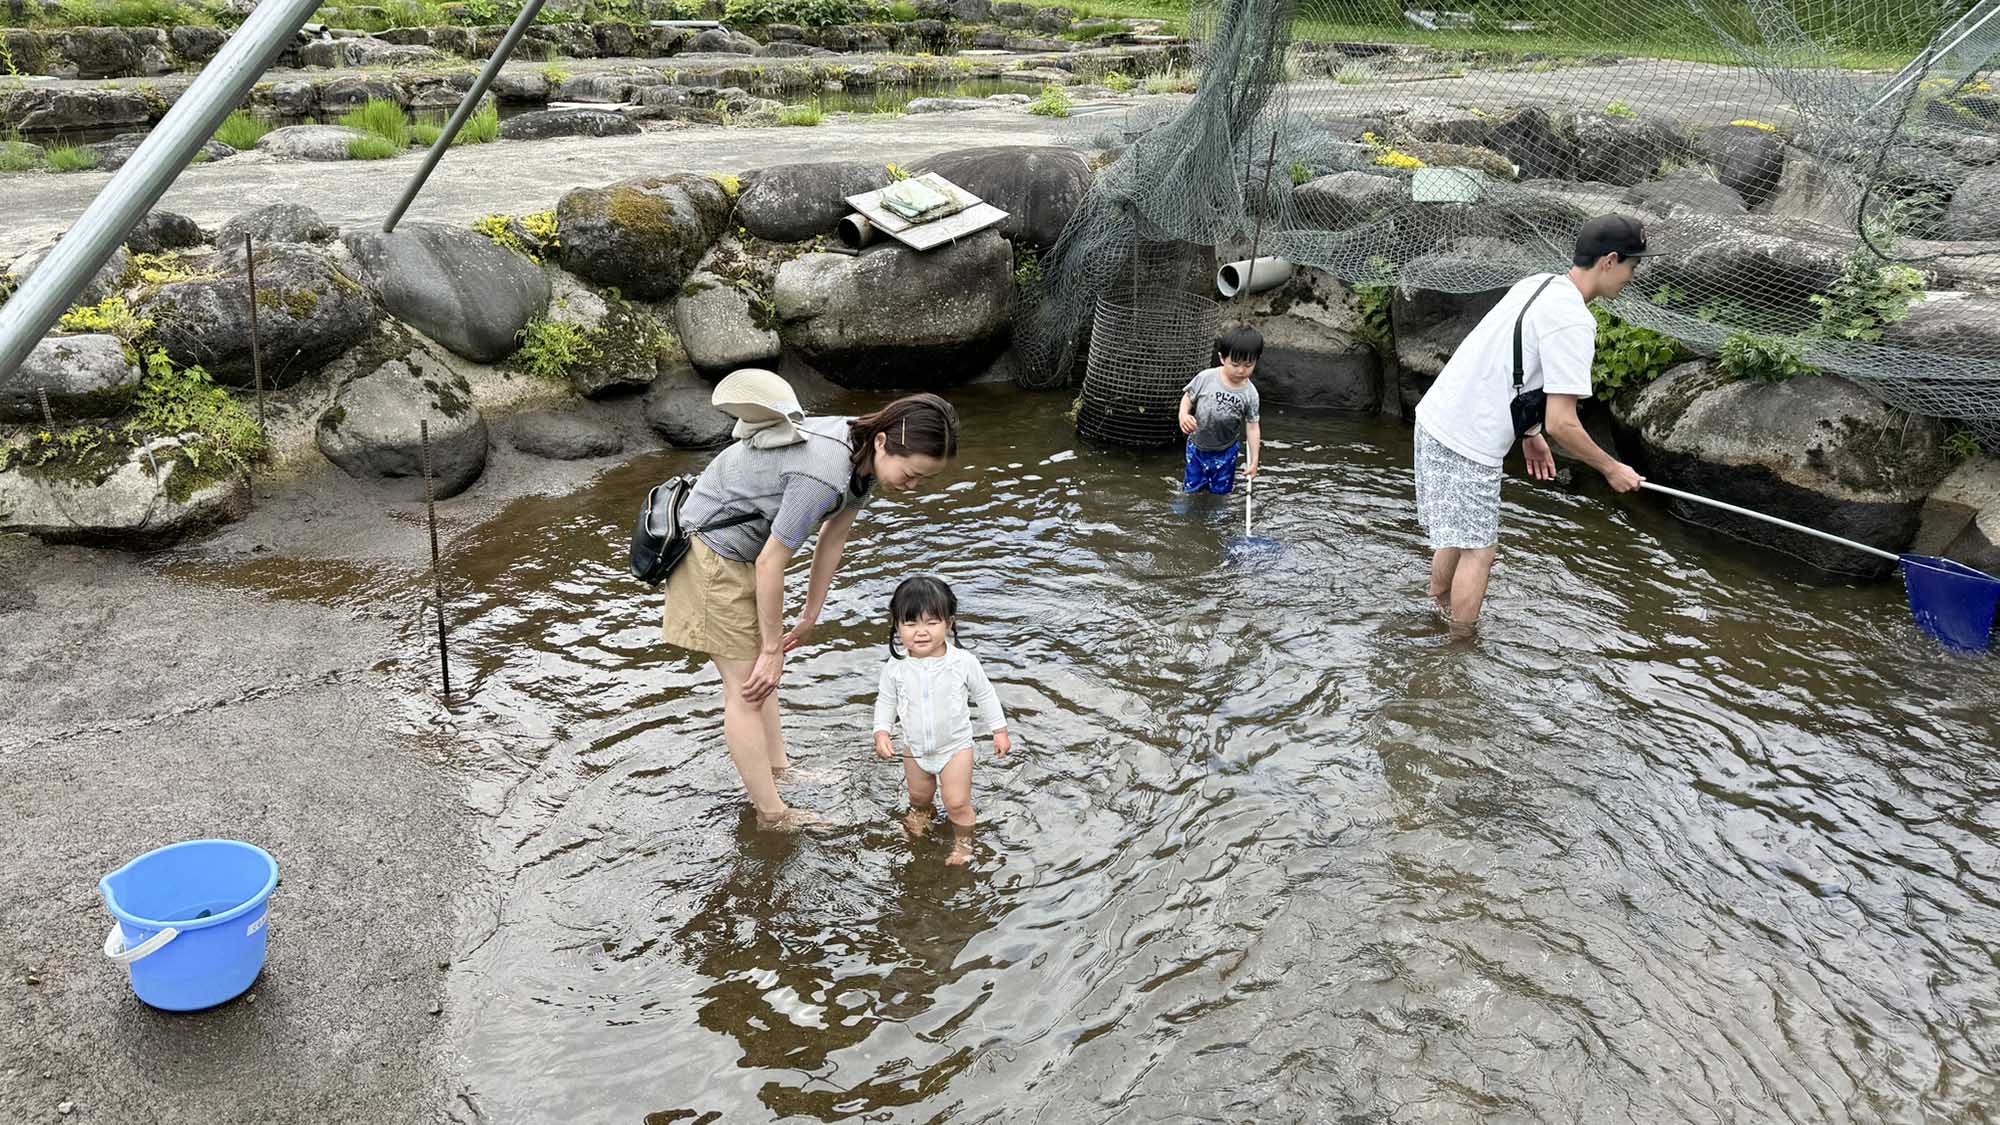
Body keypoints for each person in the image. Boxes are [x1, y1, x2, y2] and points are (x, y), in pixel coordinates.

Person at [663, 381, 960, 830]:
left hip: (741, 554)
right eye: (912, 472)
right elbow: (772, 562)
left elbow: (833, 536)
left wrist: (808, 616)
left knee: (763, 681)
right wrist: (770, 648)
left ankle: (780, 771)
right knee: (746, 689)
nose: (913, 485)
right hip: (710, 555)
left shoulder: (861, 463)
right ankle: (772, 815)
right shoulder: (825, 472)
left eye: (924, 478)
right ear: (883, 441)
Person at [1412, 214, 1652, 627]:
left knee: (1458, 533)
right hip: (1469, 440)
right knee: (1480, 552)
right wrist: (1611, 468)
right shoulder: (1575, 321)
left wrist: (1529, 432)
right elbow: (1565, 423)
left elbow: (1516, 366)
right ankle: (1457, 652)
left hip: (1435, 418)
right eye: (1632, 267)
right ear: (1610, 261)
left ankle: (1433, 608)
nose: (1632, 277)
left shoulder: (1539, 283)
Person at [872, 575, 1011, 867]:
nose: (921, 632)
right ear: (897, 626)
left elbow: (985, 694)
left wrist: (999, 730)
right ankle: (923, 819)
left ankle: (964, 844)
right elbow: (886, 701)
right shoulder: (896, 667)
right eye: (910, 624)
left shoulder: (962, 662)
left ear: (949, 623)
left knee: (957, 803)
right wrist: (882, 732)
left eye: (931, 622)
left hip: (955, 747)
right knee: (919, 799)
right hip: (915, 748)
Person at [1178, 324, 1264, 494]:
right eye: (1235, 364)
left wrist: (1254, 462)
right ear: (1222, 358)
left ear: (1256, 361)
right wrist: (1183, 415)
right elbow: (1188, 397)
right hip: (1197, 446)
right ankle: (1186, 511)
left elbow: (1253, 427)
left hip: (1226, 451)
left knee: (1221, 491)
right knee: (1191, 487)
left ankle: (1218, 515)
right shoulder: (1206, 378)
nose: (1241, 370)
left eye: (1248, 364)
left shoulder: (1250, 394)